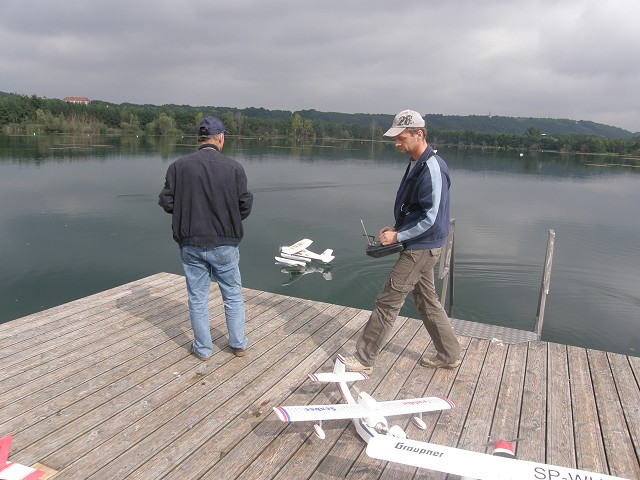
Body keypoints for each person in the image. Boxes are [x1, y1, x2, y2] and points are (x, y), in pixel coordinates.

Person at [343, 109, 461, 374]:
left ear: (419, 134)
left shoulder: (432, 168)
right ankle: (449, 354)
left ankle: (364, 359)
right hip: (421, 244)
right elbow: (417, 208)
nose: (396, 143)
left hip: (421, 248)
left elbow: (430, 218)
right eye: (395, 138)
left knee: (388, 301)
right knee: (427, 300)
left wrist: (399, 236)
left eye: (401, 137)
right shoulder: (417, 161)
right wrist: (397, 227)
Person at [158, 116, 253, 360]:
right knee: (232, 294)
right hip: (225, 243)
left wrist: (186, 210)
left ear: (198, 139)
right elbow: (245, 205)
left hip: (190, 243)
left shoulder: (178, 167)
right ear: (221, 138)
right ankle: (238, 344)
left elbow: (167, 202)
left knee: (197, 298)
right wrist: (227, 217)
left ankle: (202, 349)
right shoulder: (234, 168)